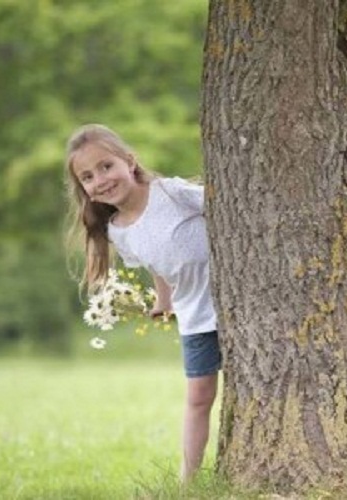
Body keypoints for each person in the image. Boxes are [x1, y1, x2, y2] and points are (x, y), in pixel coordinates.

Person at [63, 124, 219, 480]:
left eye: (106, 166)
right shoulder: (119, 230)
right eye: (87, 177)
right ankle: (188, 480)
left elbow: (224, 208)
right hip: (196, 316)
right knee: (198, 397)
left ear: (129, 162)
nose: (100, 180)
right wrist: (164, 300)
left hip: (236, 308)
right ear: (84, 190)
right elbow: (157, 265)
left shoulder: (170, 192)